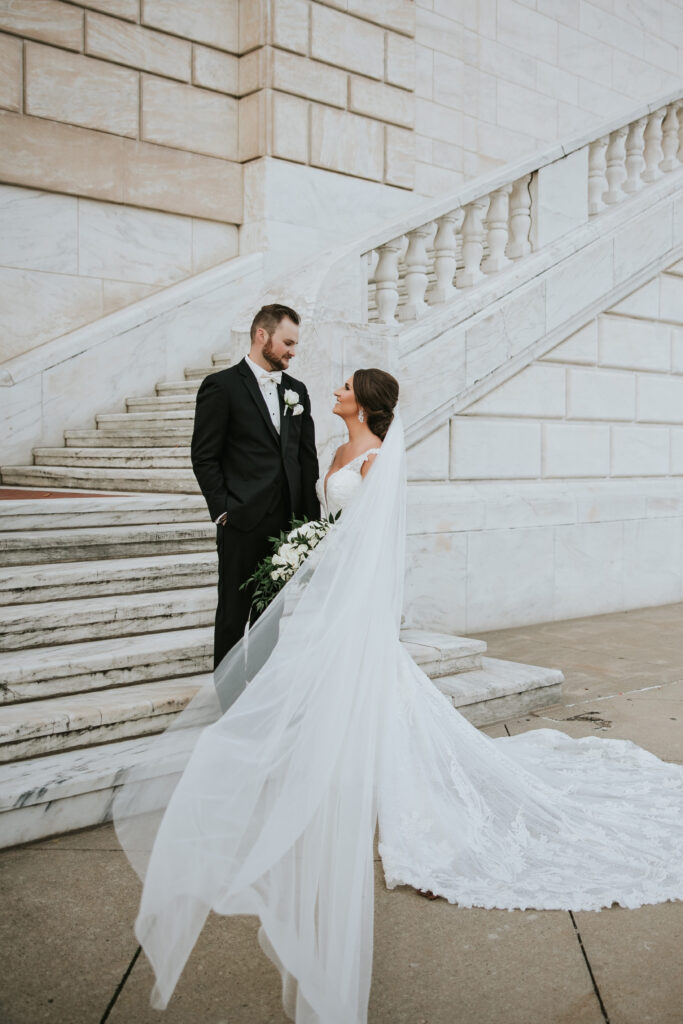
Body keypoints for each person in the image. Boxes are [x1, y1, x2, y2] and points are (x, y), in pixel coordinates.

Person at [115, 368, 683, 1024]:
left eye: (344, 386)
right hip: (324, 596)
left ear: (364, 401)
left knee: (363, 692)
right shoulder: (335, 452)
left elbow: (379, 549)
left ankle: (361, 782)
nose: (332, 390)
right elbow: (325, 524)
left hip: (354, 608)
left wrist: (356, 605)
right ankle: (334, 774)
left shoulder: (381, 459)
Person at [191, 303, 319, 668]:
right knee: (233, 615)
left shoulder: (298, 391)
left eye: (295, 345)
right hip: (241, 520)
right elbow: (204, 456)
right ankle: (228, 702)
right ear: (262, 335)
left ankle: (257, 703)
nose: (293, 352)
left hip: (286, 525)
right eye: (288, 343)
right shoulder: (221, 386)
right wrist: (222, 510)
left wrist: (308, 525)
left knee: (270, 619)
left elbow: (306, 460)